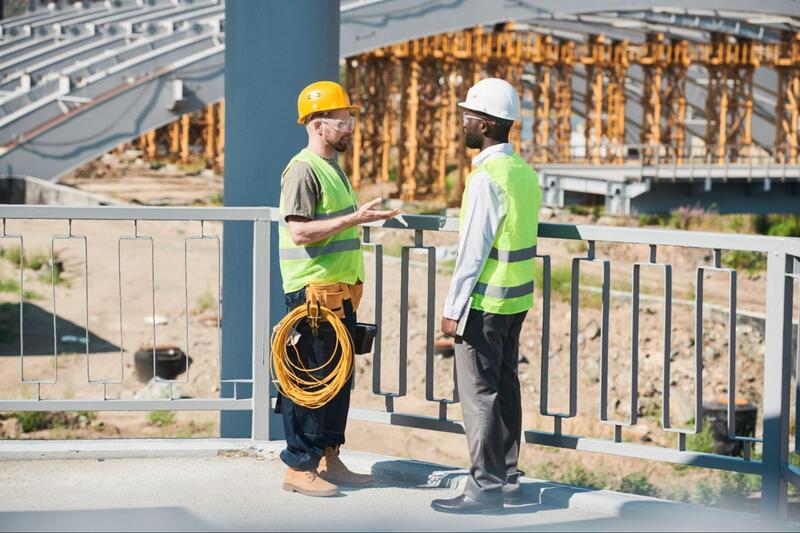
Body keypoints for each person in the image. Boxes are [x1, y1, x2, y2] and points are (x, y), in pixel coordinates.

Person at [278, 80, 399, 497]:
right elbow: (300, 233)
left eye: (349, 120)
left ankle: (329, 458)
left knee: (338, 380)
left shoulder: (333, 169)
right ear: (316, 123)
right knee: (312, 381)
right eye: (342, 121)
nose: (349, 128)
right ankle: (298, 467)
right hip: (312, 297)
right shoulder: (303, 169)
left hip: (339, 295)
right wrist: (353, 220)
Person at [433, 78, 542, 514]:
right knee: (506, 389)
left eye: (469, 115)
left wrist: (451, 310)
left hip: (484, 304)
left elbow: (472, 253)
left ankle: (484, 489)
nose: (463, 121)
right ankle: (509, 477)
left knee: (479, 395)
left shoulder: (485, 179)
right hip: (515, 301)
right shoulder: (524, 174)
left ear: (486, 123)